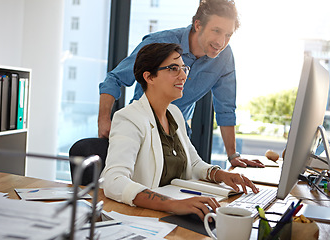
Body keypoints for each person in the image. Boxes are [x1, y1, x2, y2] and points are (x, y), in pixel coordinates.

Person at [101, 43, 259, 220]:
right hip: (145, 217)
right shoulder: (129, 118)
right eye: (173, 68)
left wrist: (222, 175)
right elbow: (113, 181)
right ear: (149, 77)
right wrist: (171, 204)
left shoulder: (174, 114)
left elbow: (192, 164)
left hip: (176, 212)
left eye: (184, 68)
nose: (183, 75)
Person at [98, 0, 264, 168]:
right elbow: (115, 78)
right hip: (142, 129)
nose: (221, 42)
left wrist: (233, 155)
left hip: (178, 136)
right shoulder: (161, 43)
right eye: (216, 31)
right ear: (198, 25)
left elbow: (226, 108)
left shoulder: (224, 58)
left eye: (228, 35)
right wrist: (104, 120)